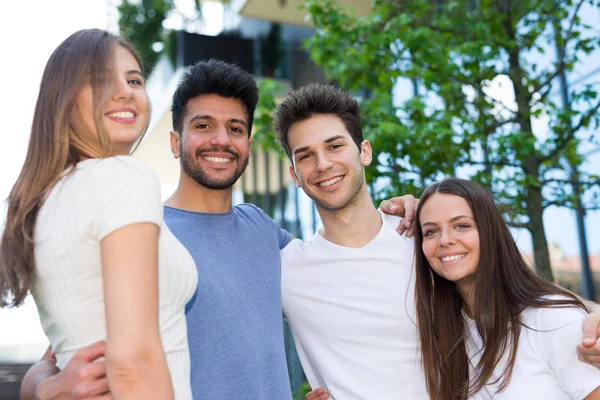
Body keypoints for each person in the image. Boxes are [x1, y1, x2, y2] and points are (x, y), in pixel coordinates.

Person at [19, 60, 417, 400]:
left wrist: (416, 212)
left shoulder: (264, 232)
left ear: (247, 142)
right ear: (175, 141)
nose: (221, 140)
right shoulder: (137, 231)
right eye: (204, 125)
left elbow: (342, 258)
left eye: (235, 128)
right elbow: (54, 357)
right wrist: (43, 390)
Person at [272, 83, 600, 400]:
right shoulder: (287, 270)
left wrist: (591, 314)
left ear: (364, 151)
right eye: (306, 156)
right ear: (294, 176)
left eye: (334, 146)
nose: (323, 164)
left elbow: (514, 293)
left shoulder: (424, 239)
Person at [1, 29, 197, 399]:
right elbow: (132, 360)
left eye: (134, 79)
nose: (125, 91)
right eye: (100, 80)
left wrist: (40, 388)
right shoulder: (124, 178)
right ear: (63, 99)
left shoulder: (45, 202)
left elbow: (69, 346)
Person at [414, 178, 600, 399]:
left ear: (491, 231)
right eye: (430, 231)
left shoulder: (552, 319)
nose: (445, 240)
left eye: (461, 225)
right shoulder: (445, 332)